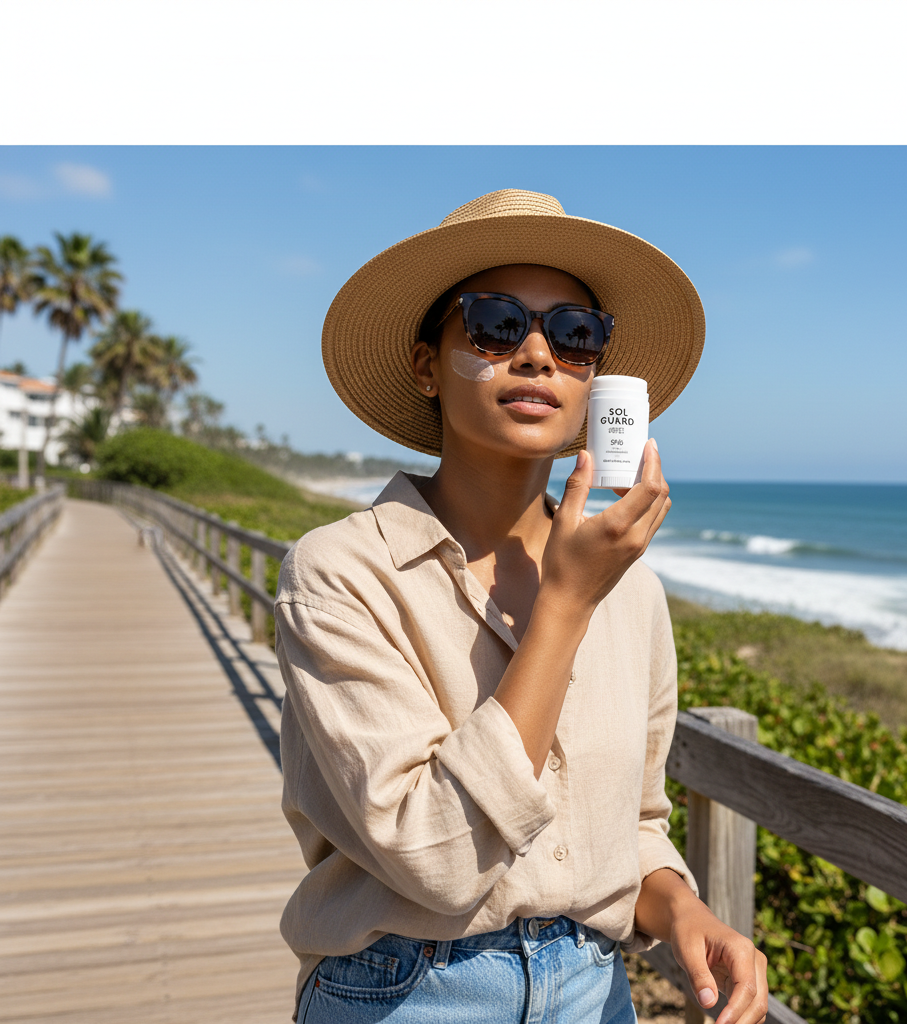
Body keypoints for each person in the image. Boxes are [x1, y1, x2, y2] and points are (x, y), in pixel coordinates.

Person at [274, 189, 769, 1024]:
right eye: (496, 325)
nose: (539, 355)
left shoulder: (632, 589)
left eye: (575, 335)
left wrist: (684, 911)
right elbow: (432, 856)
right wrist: (567, 607)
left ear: (594, 380)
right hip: (406, 993)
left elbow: (633, 824)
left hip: (593, 987)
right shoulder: (343, 572)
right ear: (426, 364)